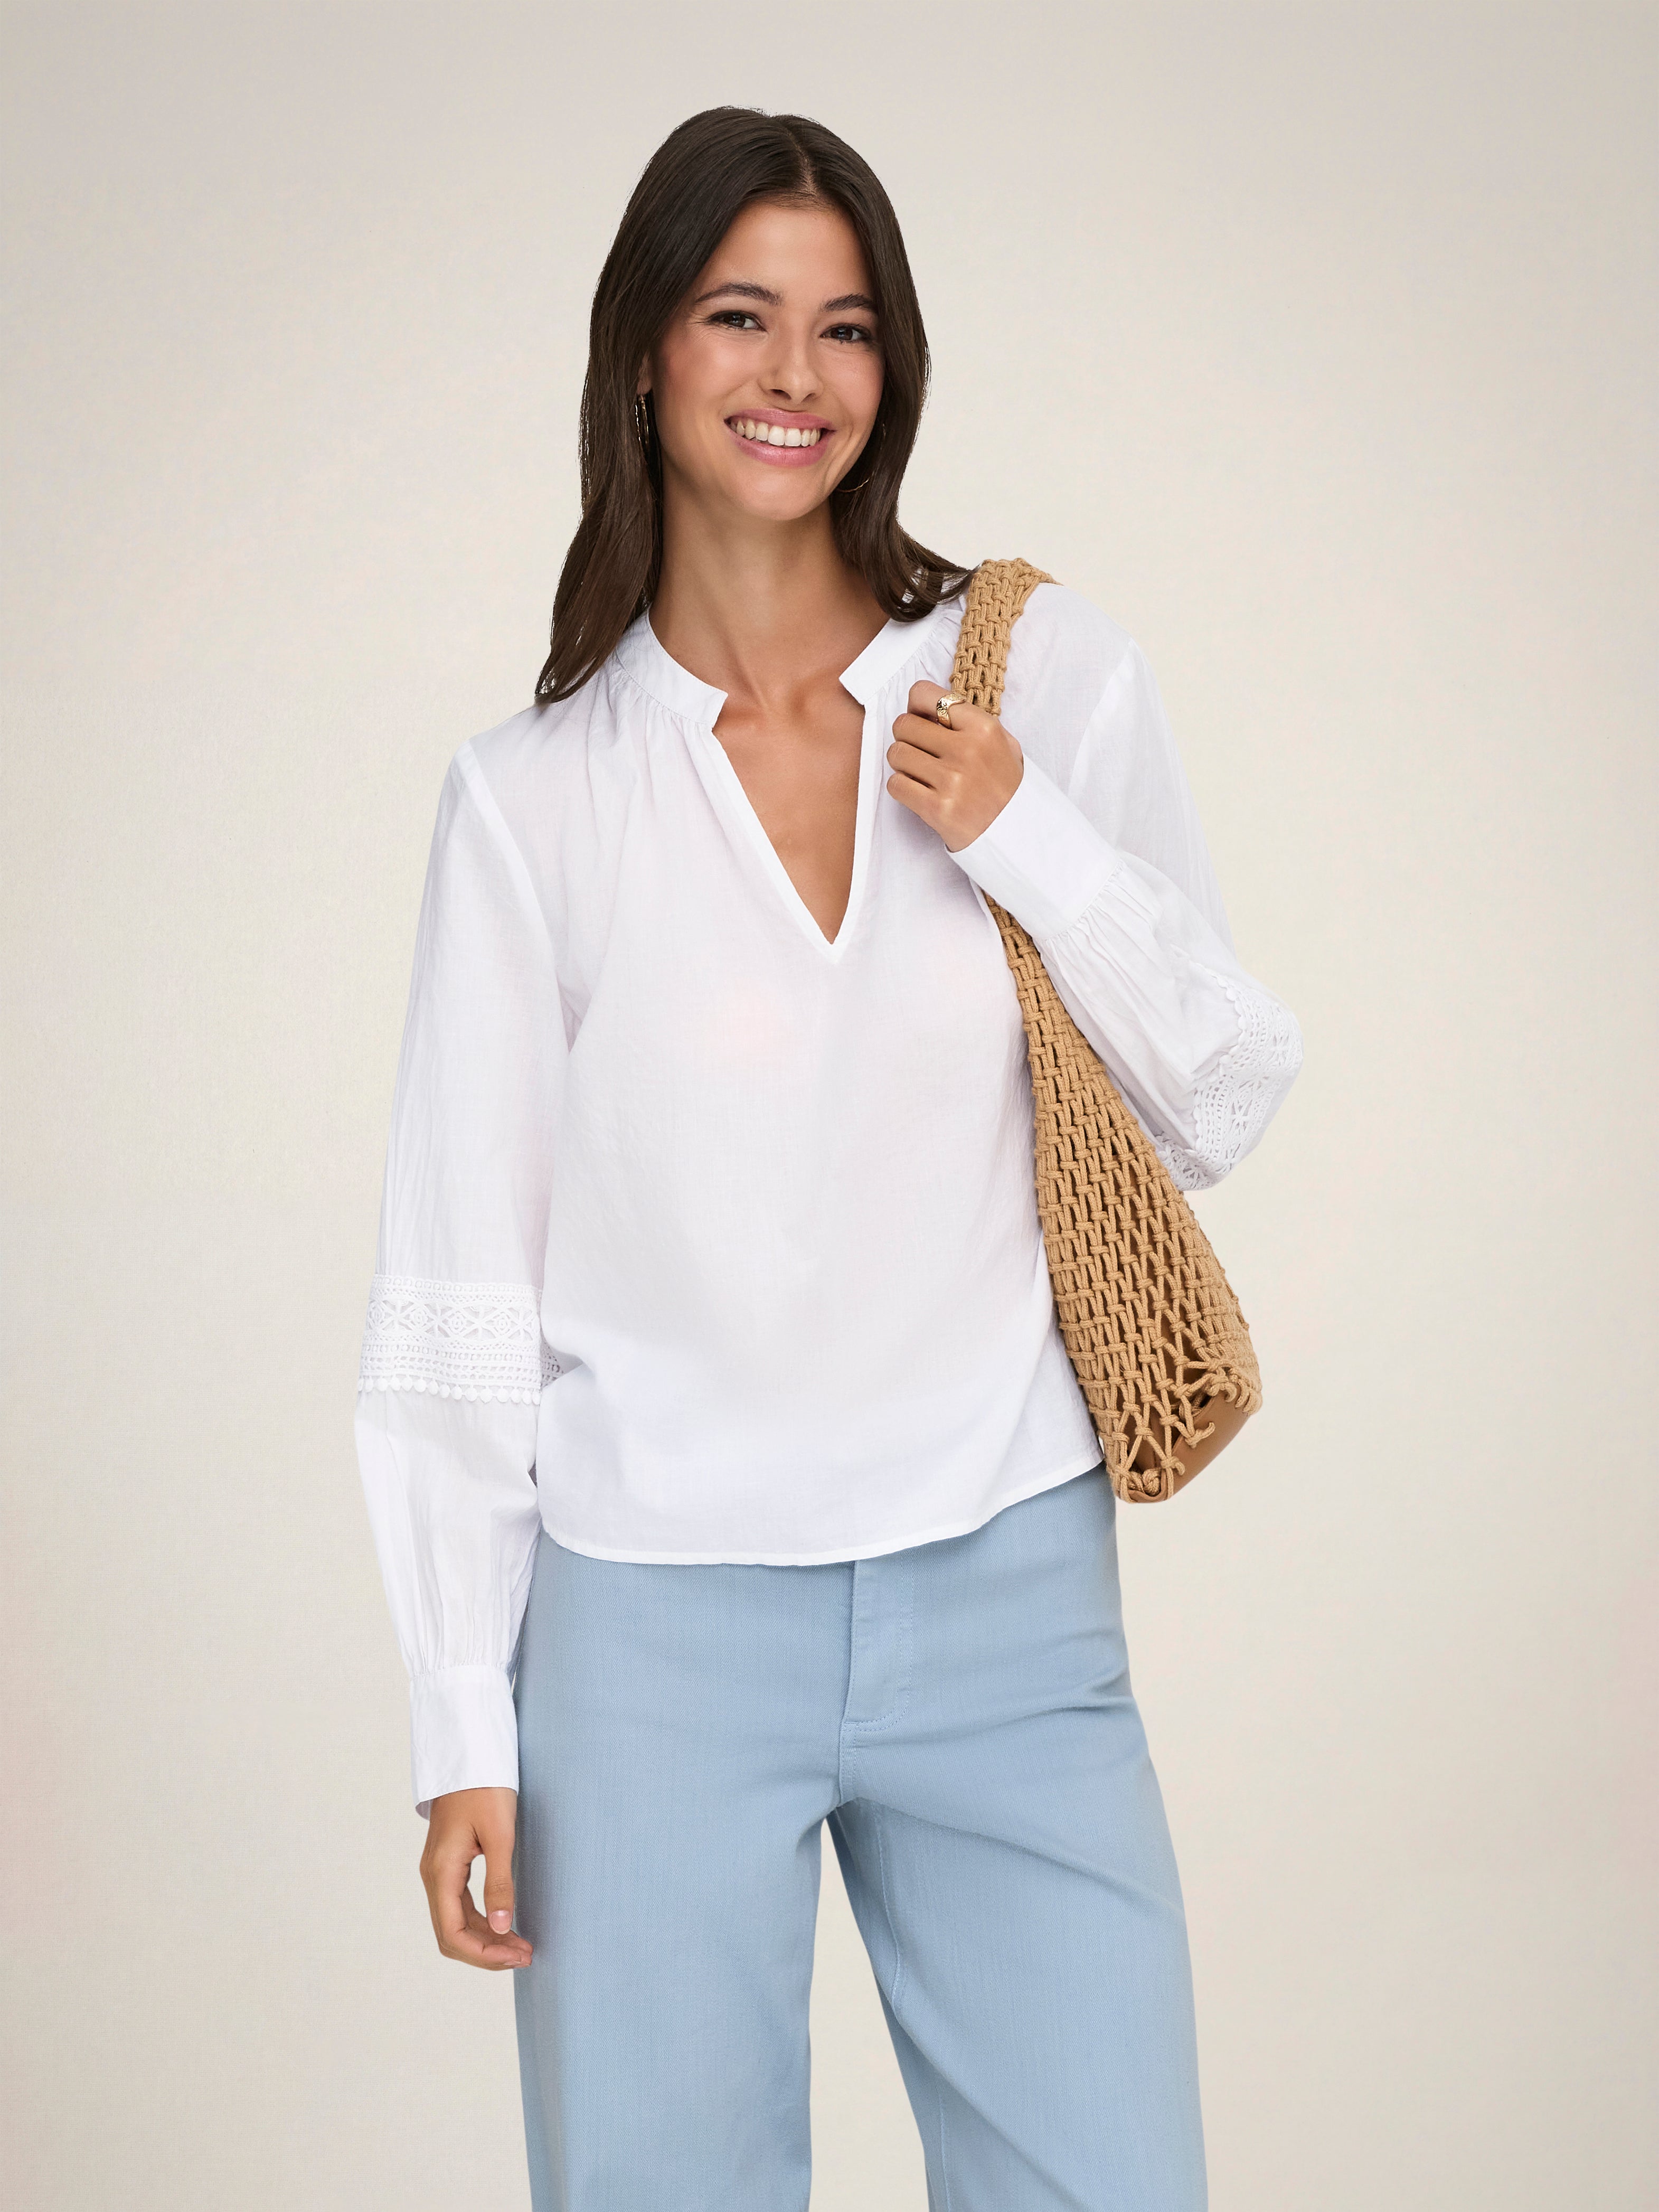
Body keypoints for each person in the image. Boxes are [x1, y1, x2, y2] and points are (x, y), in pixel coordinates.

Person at [355, 105, 1303, 2212]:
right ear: (645, 355)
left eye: (846, 326)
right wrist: (461, 1725)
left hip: (1010, 1591)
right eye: (740, 316)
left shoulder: (1041, 678)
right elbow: (459, 1284)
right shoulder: (537, 798)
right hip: (648, 1636)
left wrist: (1024, 831)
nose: (797, 374)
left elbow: (1228, 1089)